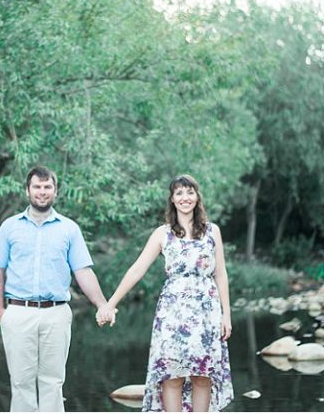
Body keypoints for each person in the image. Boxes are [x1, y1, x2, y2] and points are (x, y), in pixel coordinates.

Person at [97, 174, 234, 412]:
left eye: (190, 192)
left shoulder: (213, 232)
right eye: (179, 193)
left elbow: (220, 274)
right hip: (173, 312)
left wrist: (226, 316)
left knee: (203, 374)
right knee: (173, 375)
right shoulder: (163, 233)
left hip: (206, 311)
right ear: (172, 199)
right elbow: (137, 269)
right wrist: (111, 303)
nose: (185, 198)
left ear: (197, 197)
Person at [0, 165, 111, 412]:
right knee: (21, 383)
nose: (42, 192)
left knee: (53, 383)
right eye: (37, 187)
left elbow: (83, 271)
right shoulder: (9, 227)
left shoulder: (69, 229)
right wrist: (1, 313)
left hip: (56, 313)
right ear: (27, 191)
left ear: (55, 191)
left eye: (47, 187)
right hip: (18, 313)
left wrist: (102, 304)